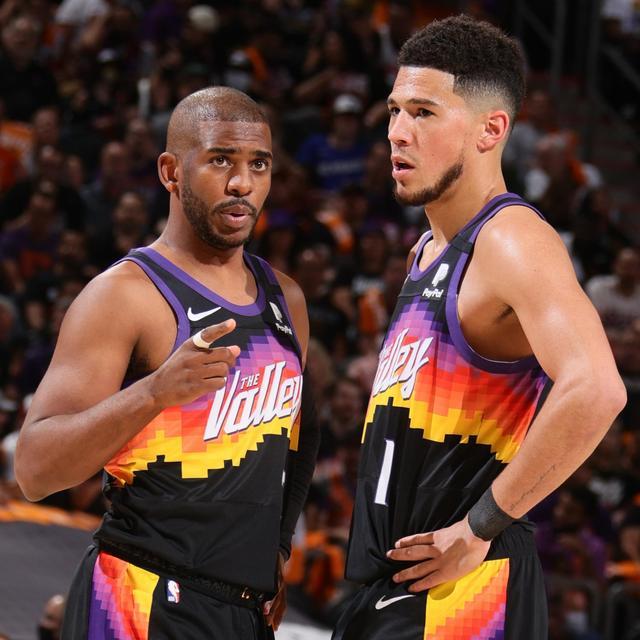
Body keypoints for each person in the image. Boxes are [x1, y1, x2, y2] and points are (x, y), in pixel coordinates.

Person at [332, 15, 626, 640]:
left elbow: (597, 388)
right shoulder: (427, 251)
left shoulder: (510, 238)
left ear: (491, 130)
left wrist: (478, 527)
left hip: (463, 591)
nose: (397, 132)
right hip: (396, 585)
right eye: (394, 111)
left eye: (424, 113)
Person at [15, 86, 319, 639]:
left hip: (240, 608)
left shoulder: (287, 299)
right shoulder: (124, 295)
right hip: (139, 595)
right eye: (220, 160)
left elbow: (300, 440)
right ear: (170, 172)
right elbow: (35, 470)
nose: (242, 183)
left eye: (259, 164)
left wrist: (277, 547)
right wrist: (153, 392)